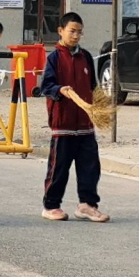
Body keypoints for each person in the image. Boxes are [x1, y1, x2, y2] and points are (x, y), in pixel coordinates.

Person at [36, 12, 109, 222]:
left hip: (85, 124)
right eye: (72, 31)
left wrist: (99, 108)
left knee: (90, 167)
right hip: (63, 124)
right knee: (59, 168)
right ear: (60, 31)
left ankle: (87, 205)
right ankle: (51, 206)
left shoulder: (85, 57)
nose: (76, 36)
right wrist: (60, 90)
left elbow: (93, 87)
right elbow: (46, 87)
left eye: (79, 32)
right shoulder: (54, 58)